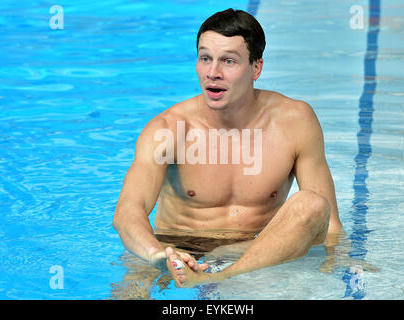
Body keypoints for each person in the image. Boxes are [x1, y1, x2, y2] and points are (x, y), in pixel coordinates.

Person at [113, 8, 344, 289]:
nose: (213, 73)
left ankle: (221, 277)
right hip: (176, 248)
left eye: (228, 61)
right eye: (205, 58)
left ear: (256, 67)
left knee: (314, 203)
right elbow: (128, 211)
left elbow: (329, 224)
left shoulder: (295, 121)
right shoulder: (169, 128)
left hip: (257, 249)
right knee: (130, 292)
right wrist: (157, 254)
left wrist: (339, 266)